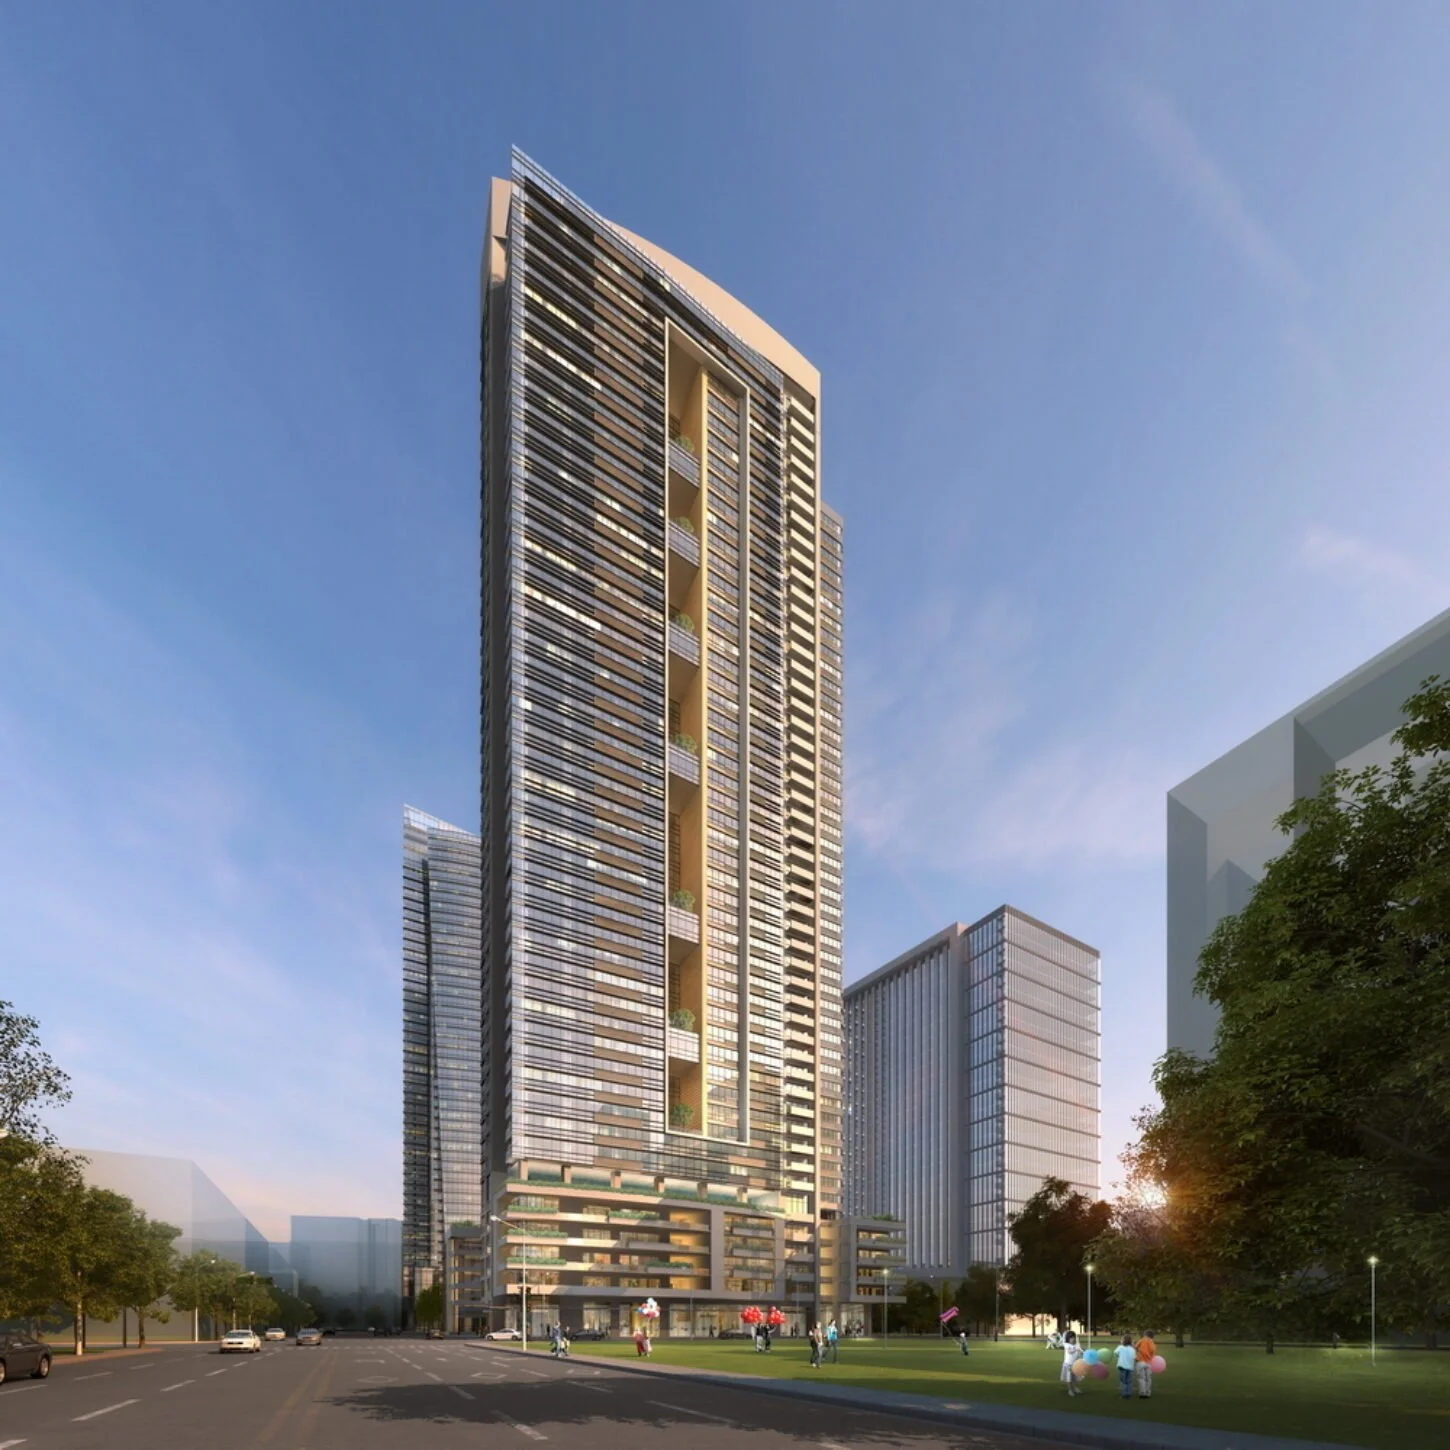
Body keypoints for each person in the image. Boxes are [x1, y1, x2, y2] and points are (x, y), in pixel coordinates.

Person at [1059, 1329, 1084, 1397]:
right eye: (1071, 1338)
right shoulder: (1067, 1345)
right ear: (1068, 1339)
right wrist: (1076, 1349)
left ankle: (1075, 1388)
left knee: (1076, 1377)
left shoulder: (1077, 1344)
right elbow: (1070, 1351)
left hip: (1076, 1364)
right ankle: (1070, 1390)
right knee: (1069, 1378)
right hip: (1068, 1365)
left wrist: (1083, 1352)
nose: (1073, 1339)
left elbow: (1080, 1352)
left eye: (1074, 1337)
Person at [1134, 1329, 1157, 1399]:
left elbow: (1136, 1347)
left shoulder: (1142, 1340)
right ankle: (1148, 1393)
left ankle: (1142, 1393)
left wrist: (1136, 1346)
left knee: (1141, 1378)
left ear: (1145, 1335)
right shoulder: (1152, 1342)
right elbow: (1153, 1350)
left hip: (1140, 1361)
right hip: (1149, 1362)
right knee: (1148, 1378)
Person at [1113, 1334, 1136, 1399]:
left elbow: (1115, 1353)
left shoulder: (1120, 1347)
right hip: (1130, 1367)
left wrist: (1118, 1356)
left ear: (1123, 1341)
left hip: (1122, 1367)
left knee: (1123, 1381)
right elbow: (1134, 1357)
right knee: (1129, 1381)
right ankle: (1128, 1394)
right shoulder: (1132, 1349)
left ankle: (1124, 1394)